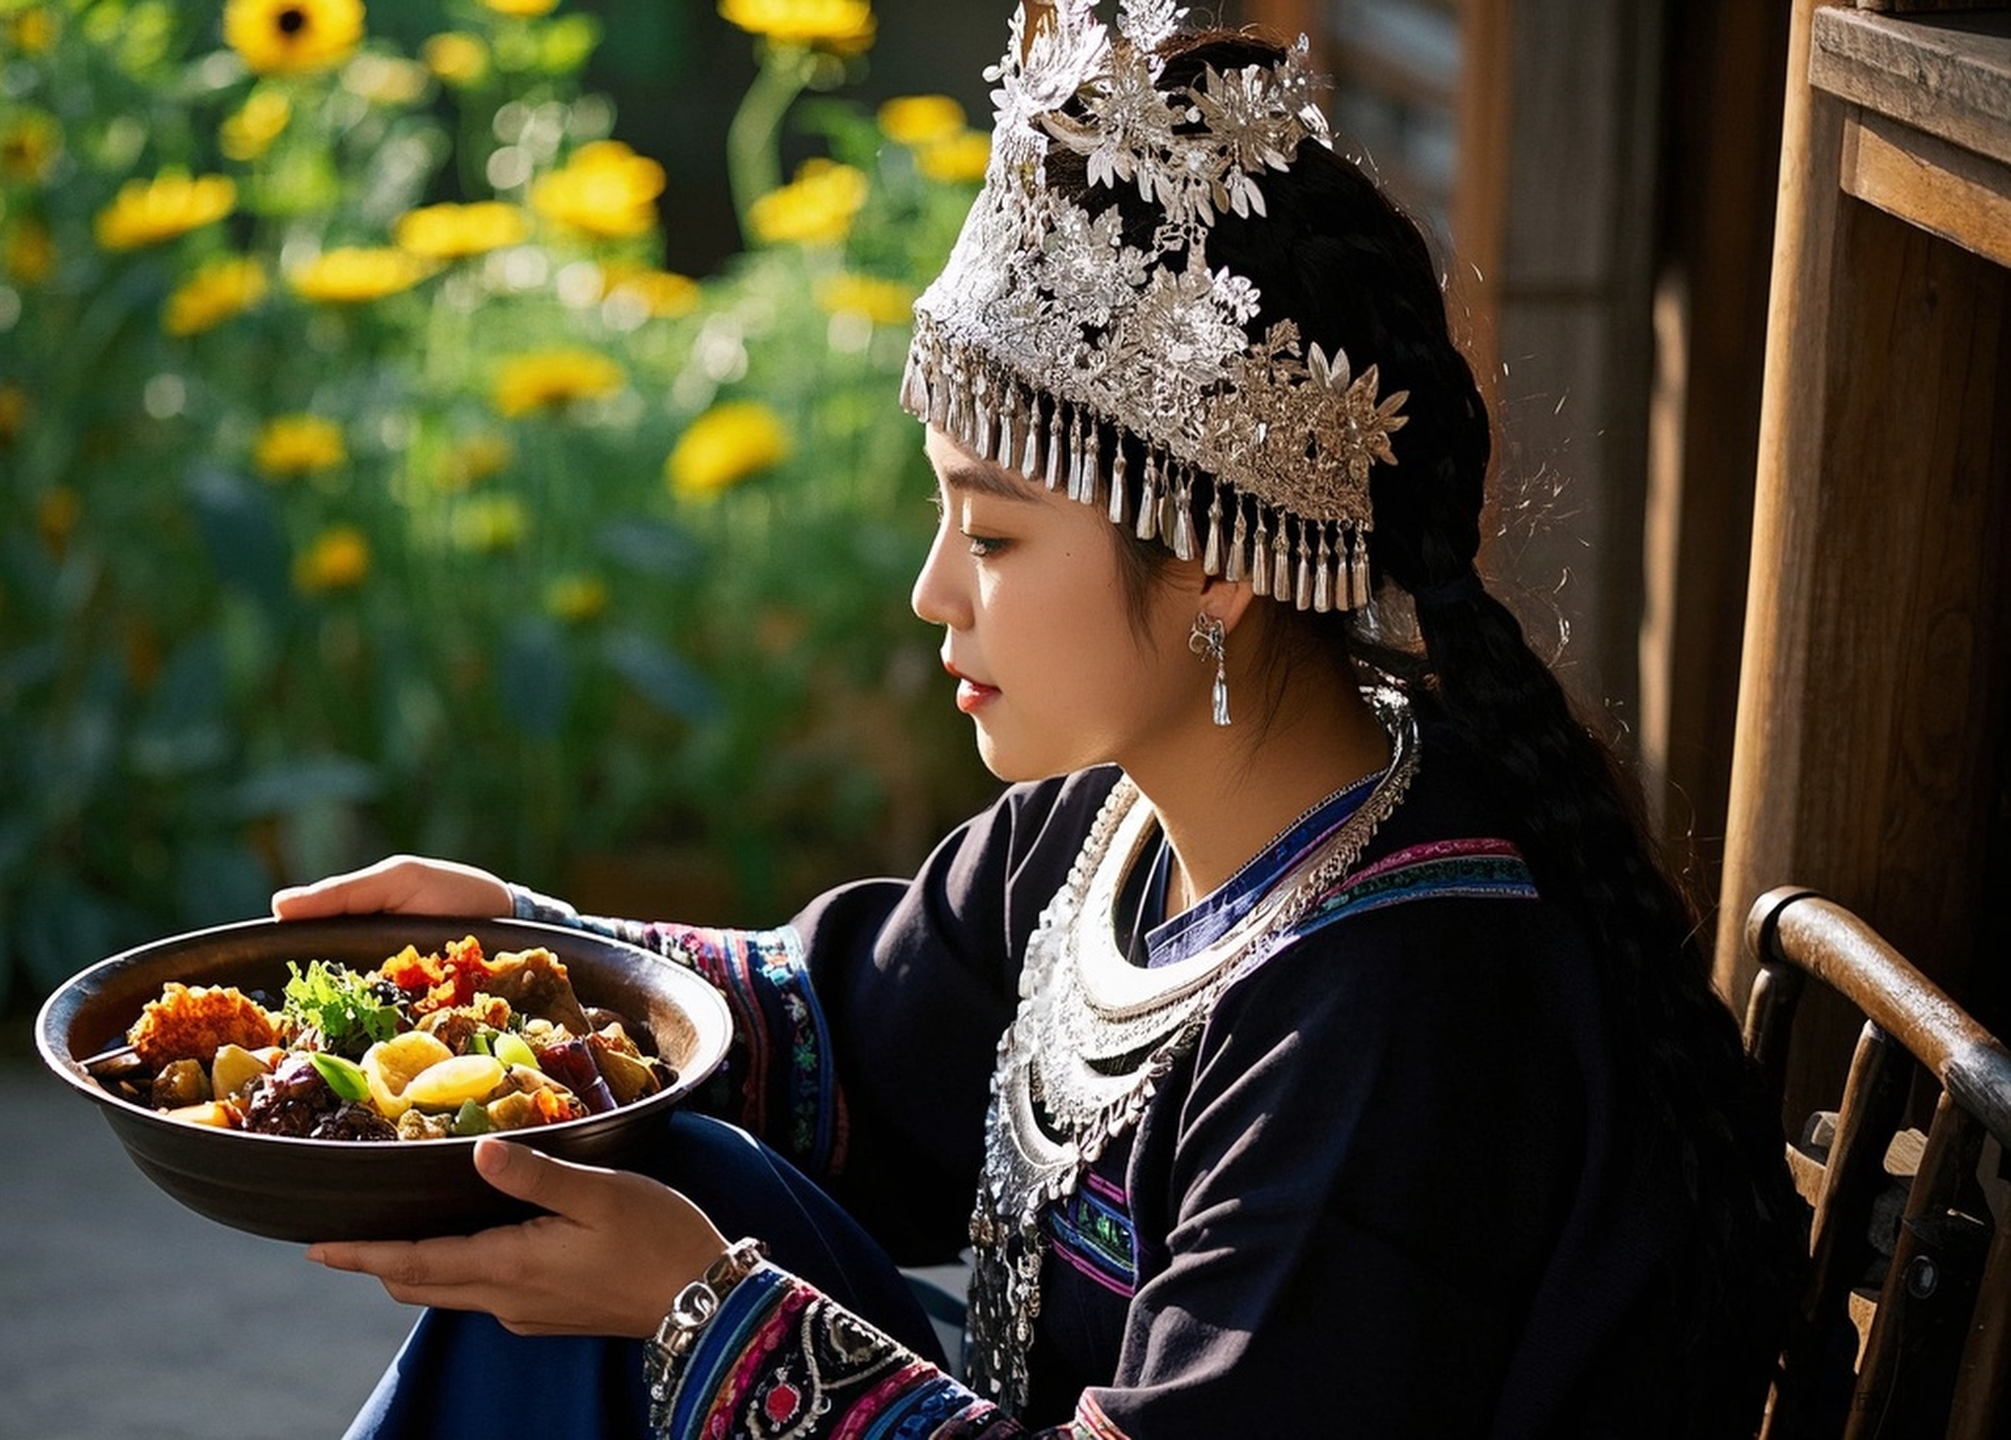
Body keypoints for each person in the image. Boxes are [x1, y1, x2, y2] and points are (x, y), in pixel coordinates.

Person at [274, 3, 1805, 1434]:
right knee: (625, 1172)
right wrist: (541, 966)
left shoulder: (1395, 1009)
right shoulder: (1130, 818)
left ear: (1210, 557)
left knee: (634, 1279)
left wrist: (694, 1313)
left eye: (994, 538)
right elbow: (847, 1041)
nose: (935, 592)